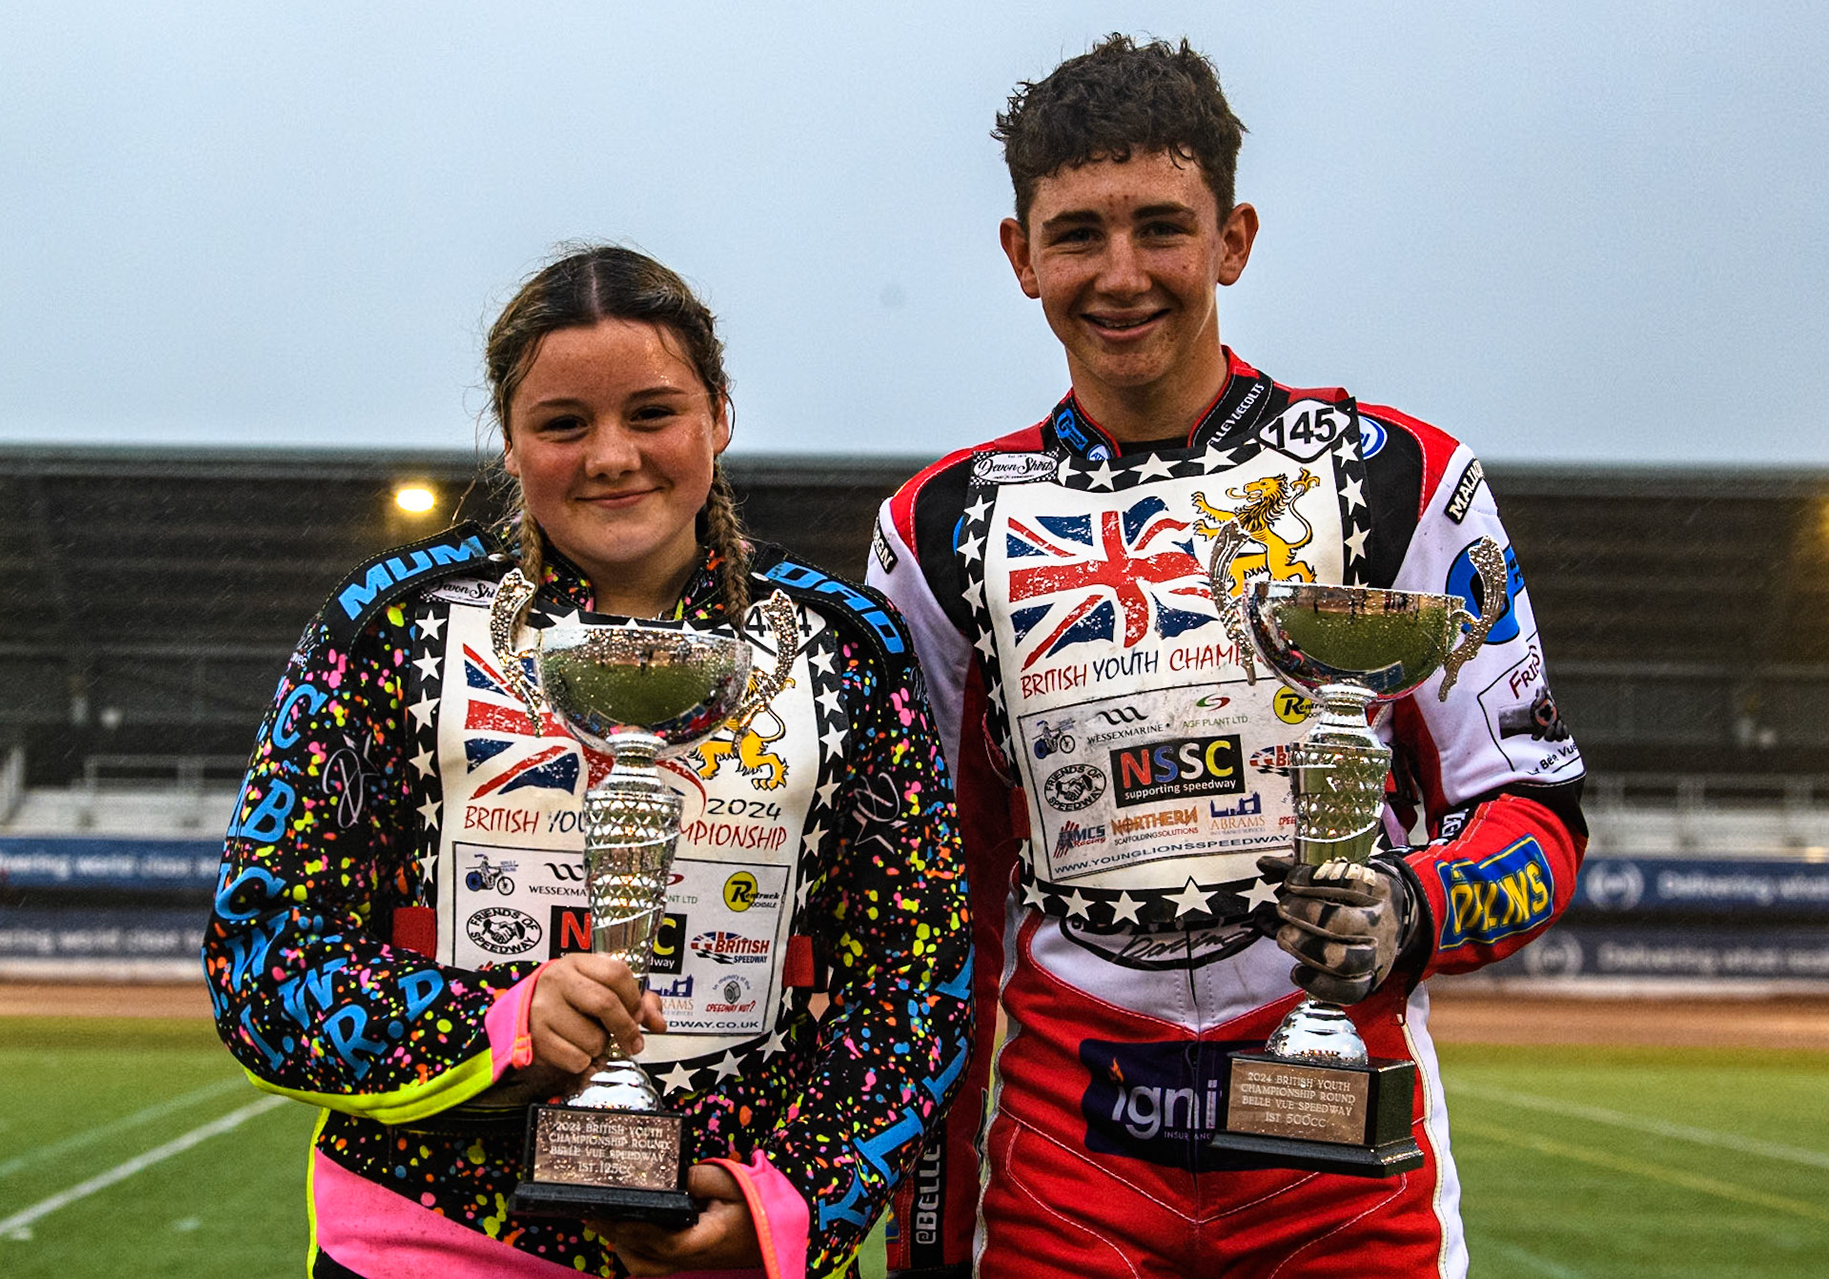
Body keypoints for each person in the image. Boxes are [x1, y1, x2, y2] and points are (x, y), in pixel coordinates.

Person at [866, 36, 1588, 1279]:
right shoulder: (935, 529)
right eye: (1079, 232)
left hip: (1342, 1157)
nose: (1123, 273)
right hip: (1067, 1158)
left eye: (1163, 226)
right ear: (1020, 253)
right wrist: (934, 1229)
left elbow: (1533, 811)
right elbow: (940, 905)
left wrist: (1414, 909)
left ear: (1233, 238)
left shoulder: (1401, 476)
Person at [203, 245, 971, 1279]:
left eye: (652, 413)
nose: (613, 456)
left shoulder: (843, 648)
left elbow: (920, 977)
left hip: (730, 1248)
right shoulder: (386, 628)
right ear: (512, 444)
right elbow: (260, 955)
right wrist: (501, 1025)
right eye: (564, 423)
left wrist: (793, 1198)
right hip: (430, 1241)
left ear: (720, 416)